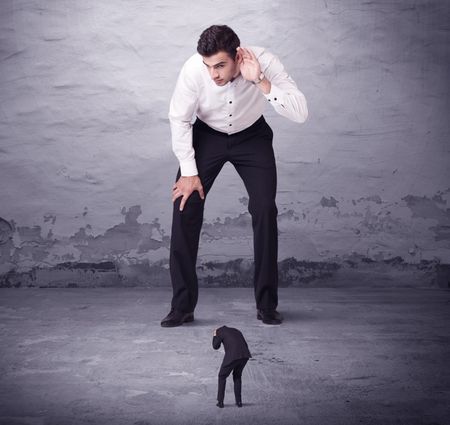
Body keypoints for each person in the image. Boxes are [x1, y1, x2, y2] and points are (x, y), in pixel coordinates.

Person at [161, 25, 308, 328]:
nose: (213, 74)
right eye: (208, 66)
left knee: (265, 208)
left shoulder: (264, 61)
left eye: (220, 65)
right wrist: (189, 172)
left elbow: (300, 112)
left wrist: (261, 82)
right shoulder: (193, 70)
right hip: (206, 136)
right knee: (184, 205)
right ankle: (182, 306)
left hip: (252, 137)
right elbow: (179, 119)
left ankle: (267, 305)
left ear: (238, 56)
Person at [212, 325, 252, 408]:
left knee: (222, 376)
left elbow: (215, 346)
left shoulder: (219, 331)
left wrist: (215, 335)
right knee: (237, 376)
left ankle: (220, 402)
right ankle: (239, 402)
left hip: (232, 356)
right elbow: (245, 344)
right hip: (245, 355)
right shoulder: (236, 330)